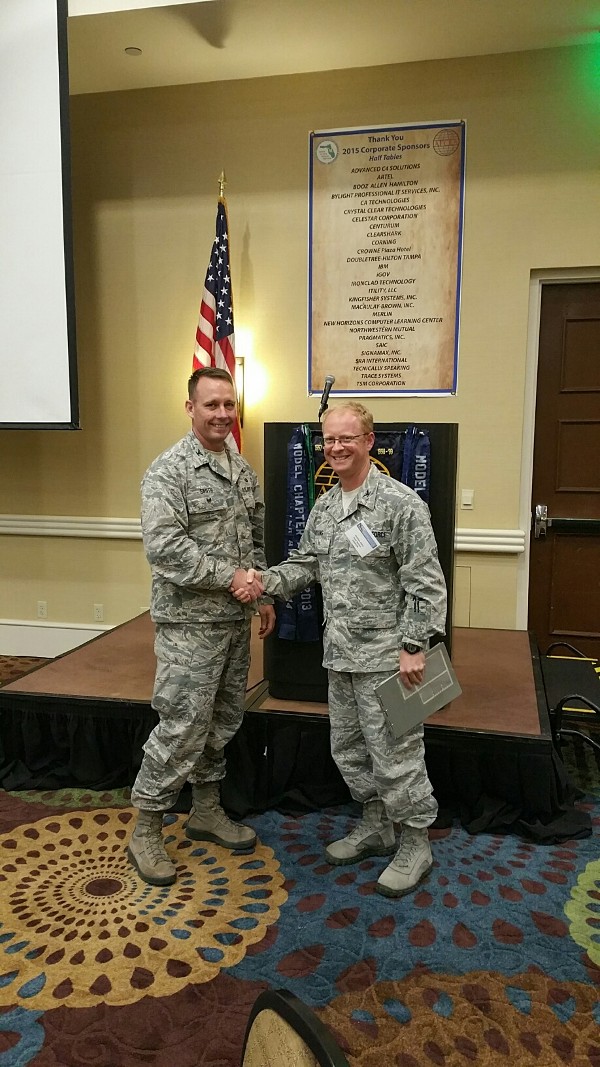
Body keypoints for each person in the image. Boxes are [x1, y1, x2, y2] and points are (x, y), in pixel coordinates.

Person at [233, 402, 446, 898]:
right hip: (342, 656)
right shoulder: (327, 508)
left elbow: (426, 584)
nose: (337, 447)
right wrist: (263, 583)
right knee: (349, 752)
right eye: (329, 440)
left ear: (370, 441)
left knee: (397, 756)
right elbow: (306, 565)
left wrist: (415, 646)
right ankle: (377, 826)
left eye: (347, 438)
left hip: (391, 660)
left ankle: (416, 842)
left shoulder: (401, 505)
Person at [128, 366, 275, 887]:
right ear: (189, 408)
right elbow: (166, 549)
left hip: (235, 621)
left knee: (223, 721)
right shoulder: (168, 472)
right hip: (189, 627)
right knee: (182, 726)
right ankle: (146, 826)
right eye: (210, 405)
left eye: (228, 405)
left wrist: (260, 593)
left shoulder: (242, 469)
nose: (221, 414)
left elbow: (255, 539)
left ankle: (206, 810)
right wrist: (229, 576)